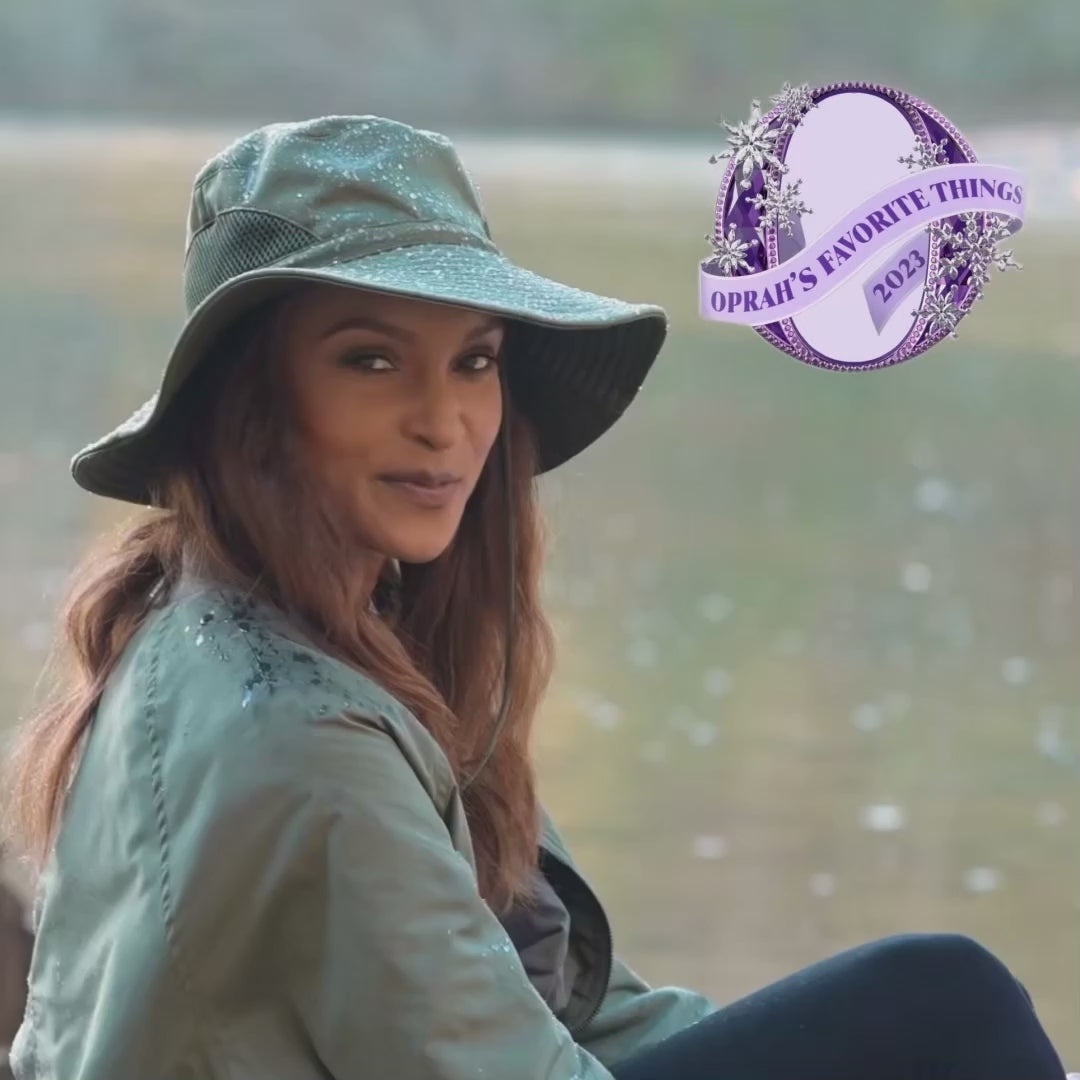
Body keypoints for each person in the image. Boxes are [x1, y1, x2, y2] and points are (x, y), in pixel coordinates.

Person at [0, 115, 1069, 1080]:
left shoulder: (254, 630)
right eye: (371, 361)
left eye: (474, 362)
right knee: (943, 998)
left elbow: (592, 1017)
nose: (444, 421)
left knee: (907, 1020)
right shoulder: (299, 734)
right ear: (251, 403)